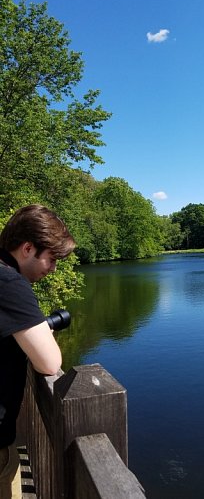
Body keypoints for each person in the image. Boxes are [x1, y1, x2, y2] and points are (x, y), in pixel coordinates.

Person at [0, 205, 75, 499]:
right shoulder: (9, 282)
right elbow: (49, 362)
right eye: (52, 259)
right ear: (28, 248)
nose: (53, 268)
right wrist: (43, 335)